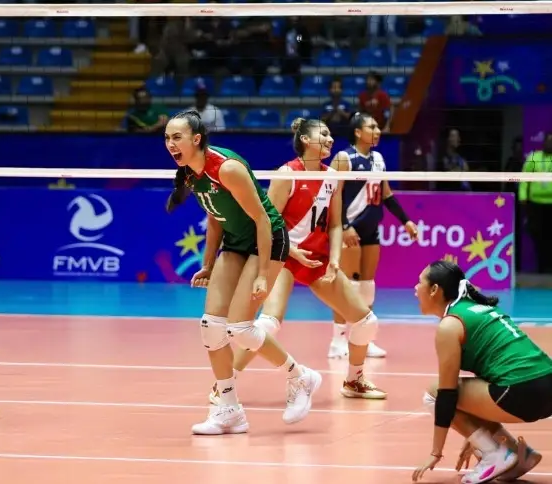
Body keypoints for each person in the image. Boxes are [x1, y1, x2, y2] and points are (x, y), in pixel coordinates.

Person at [165, 110, 322, 435]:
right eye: (167, 138)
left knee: (239, 327)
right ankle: (229, 409)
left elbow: (264, 220)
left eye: (176, 137)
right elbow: (214, 217)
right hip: (236, 243)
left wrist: (263, 272)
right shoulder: (190, 173)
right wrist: (207, 264)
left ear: (197, 139)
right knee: (211, 327)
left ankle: (300, 376)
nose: (170, 143)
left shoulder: (227, 169)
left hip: (267, 239)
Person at [209, 118, 386, 404]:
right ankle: (224, 385)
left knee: (367, 322)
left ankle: (354, 380)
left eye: (330, 135)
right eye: (323, 134)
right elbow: (266, 221)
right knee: (267, 324)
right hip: (283, 256)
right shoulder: (286, 174)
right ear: (305, 139)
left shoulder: (332, 176)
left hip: (317, 260)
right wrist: (291, 250)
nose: (330, 139)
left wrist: (336, 260)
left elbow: (336, 224)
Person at [412, 260, 552, 484]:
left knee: (433, 393)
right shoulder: (479, 310)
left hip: (521, 390)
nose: (415, 289)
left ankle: (494, 455)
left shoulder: (450, 325)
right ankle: (520, 454)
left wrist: (435, 452)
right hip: (545, 386)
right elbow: (490, 373)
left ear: (435, 290)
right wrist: (477, 434)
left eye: (420, 283)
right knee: (468, 388)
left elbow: (447, 396)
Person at [329, 112, 418, 360]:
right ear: (358, 132)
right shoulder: (344, 158)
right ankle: (338, 341)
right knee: (346, 286)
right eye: (372, 126)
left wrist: (406, 220)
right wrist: (344, 226)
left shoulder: (378, 159)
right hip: (349, 229)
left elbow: (386, 194)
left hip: (370, 230)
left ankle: (364, 340)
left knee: (367, 286)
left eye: (378, 127)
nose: (378, 130)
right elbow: (331, 196)